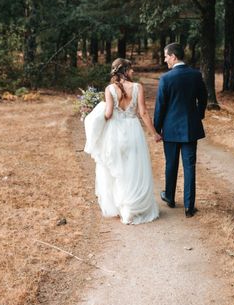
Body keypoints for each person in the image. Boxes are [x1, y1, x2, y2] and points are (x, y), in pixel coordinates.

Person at [83, 58, 160, 225]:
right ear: (124, 71)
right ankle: (132, 208)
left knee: (118, 170)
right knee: (133, 169)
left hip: (114, 133)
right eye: (130, 69)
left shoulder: (109, 89)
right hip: (133, 131)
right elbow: (144, 113)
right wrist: (154, 133)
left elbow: (108, 114)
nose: (133, 72)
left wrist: (95, 116)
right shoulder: (138, 87)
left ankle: (123, 208)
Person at [154, 43, 208, 218]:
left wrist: (157, 128)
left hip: (169, 129)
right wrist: (197, 115)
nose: (164, 59)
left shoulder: (166, 78)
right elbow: (203, 98)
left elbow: (160, 106)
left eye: (166, 56)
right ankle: (189, 207)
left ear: (174, 57)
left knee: (171, 164)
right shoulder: (195, 75)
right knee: (189, 167)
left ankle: (169, 197)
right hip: (190, 129)